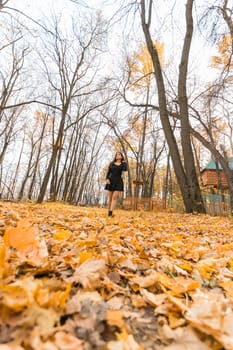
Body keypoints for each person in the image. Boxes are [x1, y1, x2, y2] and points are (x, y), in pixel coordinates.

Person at [105, 151, 127, 217]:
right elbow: (108, 172)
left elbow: (125, 169)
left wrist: (124, 162)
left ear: (121, 156)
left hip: (118, 181)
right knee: (110, 198)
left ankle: (111, 213)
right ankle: (108, 211)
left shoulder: (123, 164)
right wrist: (107, 179)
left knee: (114, 197)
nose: (117, 155)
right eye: (116, 155)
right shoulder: (112, 163)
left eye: (119, 154)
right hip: (111, 181)